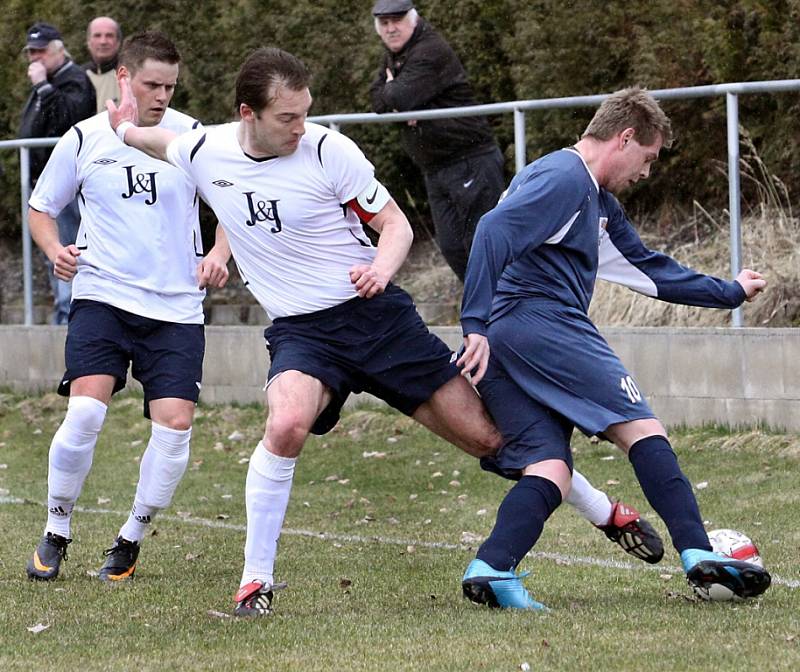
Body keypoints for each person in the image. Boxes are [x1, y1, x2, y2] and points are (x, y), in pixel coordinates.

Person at [109, 49, 662, 618]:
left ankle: (607, 513)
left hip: (379, 323)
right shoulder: (206, 149)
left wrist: (380, 268)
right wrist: (124, 125)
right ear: (247, 113)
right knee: (287, 422)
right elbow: (153, 142)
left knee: (495, 442)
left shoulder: (329, 151)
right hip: (305, 333)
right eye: (287, 119)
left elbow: (394, 224)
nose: (302, 128)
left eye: (306, 113)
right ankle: (255, 582)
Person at [458, 87, 772, 609]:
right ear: (624, 138)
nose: (647, 171)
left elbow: (649, 270)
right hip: (542, 322)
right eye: (647, 157)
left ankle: (492, 567)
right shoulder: (564, 178)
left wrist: (731, 291)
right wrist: (472, 323)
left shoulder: (597, 202)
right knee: (642, 429)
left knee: (550, 468)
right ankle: (698, 555)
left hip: (507, 339)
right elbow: (492, 230)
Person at [25, 31, 230, 584]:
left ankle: (130, 538)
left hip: (177, 307)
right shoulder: (84, 137)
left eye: (169, 86)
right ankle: (57, 527)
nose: (162, 95)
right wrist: (54, 251)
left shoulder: (192, 137)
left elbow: (232, 202)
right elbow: (41, 208)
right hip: (103, 296)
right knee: (87, 411)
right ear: (123, 77)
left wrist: (218, 251)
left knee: (176, 425)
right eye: (151, 84)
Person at [369, 0, 505, 282]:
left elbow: (397, 98)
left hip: (470, 160)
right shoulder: (394, 56)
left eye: (397, 20)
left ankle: (506, 313)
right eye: (384, 23)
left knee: (482, 246)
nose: (391, 28)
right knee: (454, 248)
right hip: (436, 167)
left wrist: (397, 95)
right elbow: (376, 98)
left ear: (413, 19)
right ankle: (484, 313)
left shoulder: (429, 50)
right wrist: (399, 100)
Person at [20, 21, 96, 325]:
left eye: (40, 52)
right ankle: (63, 314)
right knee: (52, 251)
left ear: (58, 51)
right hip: (43, 182)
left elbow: (70, 119)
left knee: (67, 249)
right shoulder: (51, 81)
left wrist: (42, 87)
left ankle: (69, 317)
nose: (35, 59)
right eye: (31, 52)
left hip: (68, 184)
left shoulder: (74, 79)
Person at [84, 16, 122, 113]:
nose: (103, 41)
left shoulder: (129, 75)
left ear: (118, 42)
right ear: (88, 42)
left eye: (109, 35)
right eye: (97, 35)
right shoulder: (78, 77)